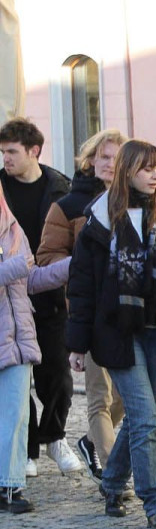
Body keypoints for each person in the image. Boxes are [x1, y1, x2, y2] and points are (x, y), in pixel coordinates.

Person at [65, 140, 156, 529]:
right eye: (147, 168)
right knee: (145, 416)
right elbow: (82, 287)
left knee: (137, 417)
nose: (154, 175)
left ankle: (112, 483)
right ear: (128, 170)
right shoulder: (99, 221)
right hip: (115, 331)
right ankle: (155, 502)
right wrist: (77, 345)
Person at [38, 128, 128, 485]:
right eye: (104, 157)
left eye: (117, 157)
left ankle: (92, 442)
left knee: (132, 397)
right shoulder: (69, 205)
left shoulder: (144, 196)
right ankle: (112, 476)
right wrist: (85, 265)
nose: (110, 164)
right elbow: (46, 258)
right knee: (100, 396)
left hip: (135, 313)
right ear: (91, 161)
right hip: (90, 312)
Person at [0, 118, 78, 478]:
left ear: (34, 151)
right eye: (2, 152)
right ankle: (29, 448)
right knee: (18, 381)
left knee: (58, 376)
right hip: (11, 295)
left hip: (48, 293)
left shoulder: (60, 186)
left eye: (12, 152)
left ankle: (55, 437)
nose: (6, 159)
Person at [0, 189, 70, 513]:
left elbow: (31, 279)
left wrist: (72, 265)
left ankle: (10, 486)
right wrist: (15, 266)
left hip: (18, 339)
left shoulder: (12, 230)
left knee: (16, 415)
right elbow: (18, 269)